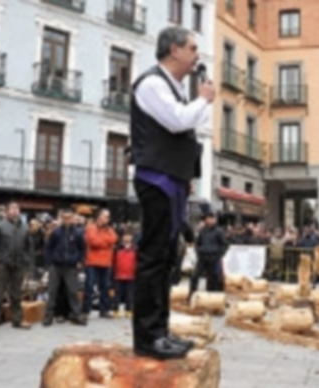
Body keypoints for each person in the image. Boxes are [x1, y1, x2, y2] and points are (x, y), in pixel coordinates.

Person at [130, 26, 215, 360]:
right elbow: (178, 122)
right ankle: (148, 338)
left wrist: (186, 173)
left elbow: (182, 135)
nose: (197, 55)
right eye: (193, 48)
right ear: (174, 50)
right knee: (153, 258)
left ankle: (161, 331)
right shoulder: (152, 83)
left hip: (173, 180)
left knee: (167, 258)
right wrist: (204, 99)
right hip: (156, 180)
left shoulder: (177, 88)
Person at [0, 202, 32, 331]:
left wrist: (26, 260)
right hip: (3, 264)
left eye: (17, 208)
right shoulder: (0, 226)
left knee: (17, 294)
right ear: (7, 211)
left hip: (19, 264)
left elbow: (28, 246)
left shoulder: (25, 227)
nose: (15, 210)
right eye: (12, 208)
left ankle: (18, 319)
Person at [43, 209, 86, 326]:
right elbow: (49, 248)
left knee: (73, 291)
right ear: (62, 219)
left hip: (71, 266)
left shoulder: (77, 233)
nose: (67, 220)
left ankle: (77, 314)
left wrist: (79, 260)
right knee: (52, 291)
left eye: (69, 218)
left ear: (72, 219)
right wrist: (50, 263)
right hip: (56, 266)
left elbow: (82, 249)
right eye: (65, 218)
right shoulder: (56, 232)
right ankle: (48, 315)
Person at [83, 209, 118, 318]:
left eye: (108, 217)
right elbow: (93, 241)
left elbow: (115, 239)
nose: (108, 219)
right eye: (105, 216)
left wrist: (102, 242)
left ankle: (104, 310)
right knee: (89, 286)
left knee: (105, 287)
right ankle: (86, 310)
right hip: (92, 262)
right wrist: (106, 244)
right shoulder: (91, 228)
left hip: (106, 263)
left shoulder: (110, 229)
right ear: (99, 217)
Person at [189, 212, 227, 299]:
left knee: (212, 278)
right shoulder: (202, 231)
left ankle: (210, 297)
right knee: (195, 276)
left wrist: (220, 253)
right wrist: (198, 251)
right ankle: (191, 294)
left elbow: (224, 244)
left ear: (214, 219)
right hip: (202, 256)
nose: (207, 220)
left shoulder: (219, 231)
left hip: (213, 256)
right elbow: (198, 243)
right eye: (206, 219)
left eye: (209, 218)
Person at [112, 232, 137, 318]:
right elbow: (113, 262)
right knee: (117, 294)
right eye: (125, 236)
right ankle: (116, 309)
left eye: (129, 236)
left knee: (130, 294)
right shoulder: (117, 249)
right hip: (118, 275)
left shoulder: (135, 249)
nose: (127, 238)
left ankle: (129, 309)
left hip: (131, 275)